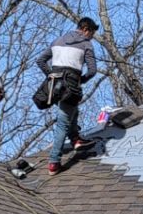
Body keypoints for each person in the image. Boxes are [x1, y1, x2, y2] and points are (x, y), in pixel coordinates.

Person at [36, 16, 99, 171]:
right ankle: (54, 161)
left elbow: (40, 60)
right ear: (86, 29)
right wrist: (81, 80)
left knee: (72, 111)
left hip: (53, 86)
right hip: (70, 86)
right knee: (63, 122)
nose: (92, 37)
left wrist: (51, 75)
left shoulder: (57, 41)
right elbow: (92, 70)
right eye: (92, 33)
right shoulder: (86, 44)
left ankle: (76, 139)